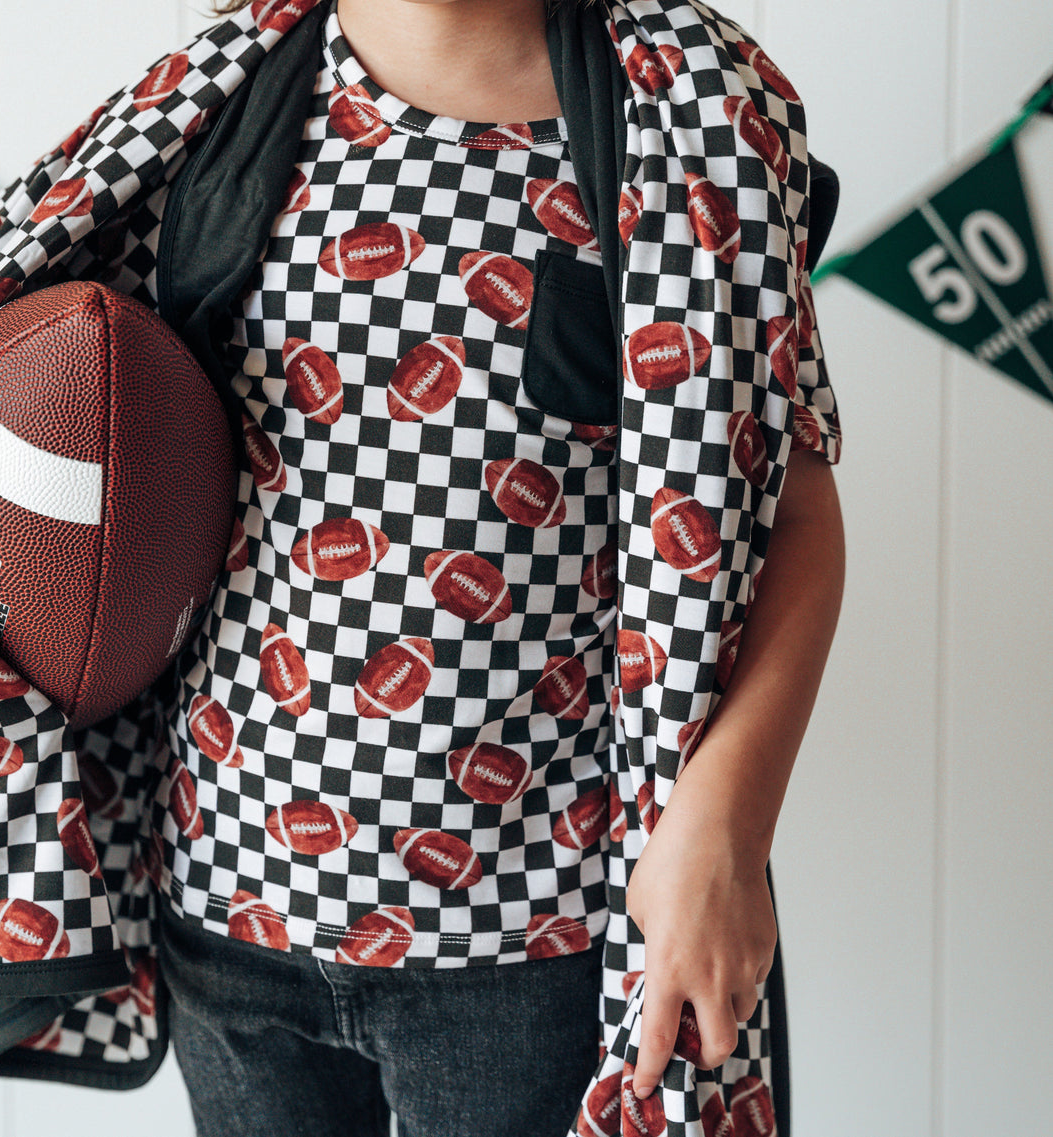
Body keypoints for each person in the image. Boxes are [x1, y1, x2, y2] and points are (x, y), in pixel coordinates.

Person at [85, 0, 844, 1133]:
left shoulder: (694, 113)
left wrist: (725, 822)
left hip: (540, 938)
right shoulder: (210, 109)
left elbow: (787, 514)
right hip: (229, 911)